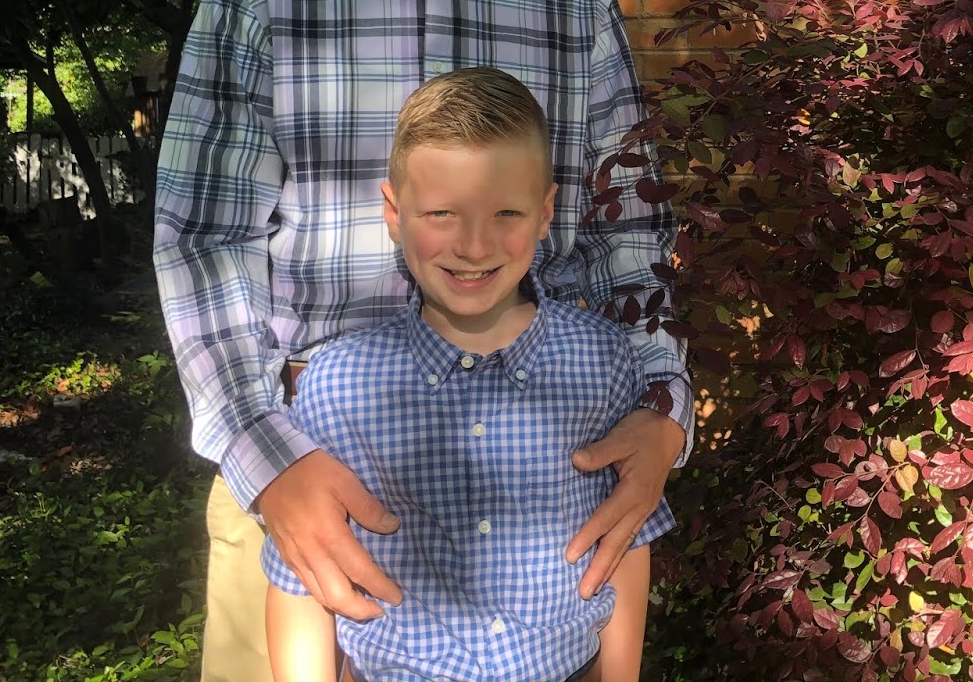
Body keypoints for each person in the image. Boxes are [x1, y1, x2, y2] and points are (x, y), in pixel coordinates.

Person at [154, 0, 691, 682]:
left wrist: (663, 413)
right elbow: (203, 240)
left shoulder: (575, 9)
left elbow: (632, 237)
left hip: (538, 491)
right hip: (306, 470)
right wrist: (269, 461)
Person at [264, 67, 671, 682]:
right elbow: (299, 575)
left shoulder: (603, 360)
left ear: (545, 212)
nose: (475, 246)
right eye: (442, 214)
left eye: (506, 212)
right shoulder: (337, 384)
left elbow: (626, 536)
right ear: (394, 213)